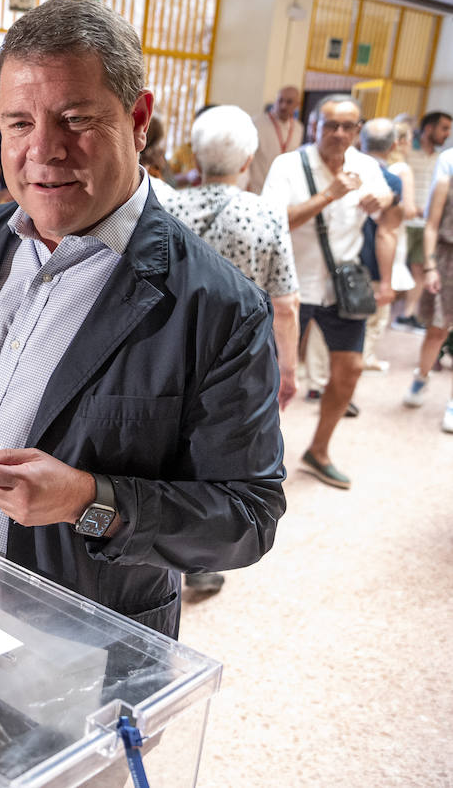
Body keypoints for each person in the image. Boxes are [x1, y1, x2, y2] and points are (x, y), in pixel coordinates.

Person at [0, 0, 286, 638]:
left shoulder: (218, 309)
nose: (43, 151)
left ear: (137, 119)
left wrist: (91, 501)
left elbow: (246, 518)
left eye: (76, 119)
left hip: (76, 640)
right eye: (19, 123)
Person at [161, 105, 300, 595]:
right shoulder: (265, 214)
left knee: (164, 449)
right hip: (240, 361)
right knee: (221, 459)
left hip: (168, 354)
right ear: (248, 157)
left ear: (196, 155)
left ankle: (157, 550)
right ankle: (198, 557)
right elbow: (284, 303)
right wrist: (289, 368)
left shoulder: (169, 209)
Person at [261, 95, 393, 488]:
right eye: (330, 124)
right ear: (314, 125)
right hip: (291, 287)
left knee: (350, 370)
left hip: (342, 289)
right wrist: (328, 195)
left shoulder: (367, 166)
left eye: (348, 126)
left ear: (358, 131)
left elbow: (389, 201)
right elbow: (274, 221)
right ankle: (258, 457)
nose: (339, 133)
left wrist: (383, 198)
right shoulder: (289, 165)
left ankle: (319, 451)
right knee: (273, 377)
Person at [403, 147, 453, 433]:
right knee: (437, 329)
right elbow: (431, 225)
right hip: (446, 257)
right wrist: (431, 266)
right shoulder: (449, 162)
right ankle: (421, 378)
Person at [356, 119, 410, 374]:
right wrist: (387, 282)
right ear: (393, 146)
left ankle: (317, 381)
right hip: (374, 261)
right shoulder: (390, 180)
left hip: (341, 260)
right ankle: (364, 360)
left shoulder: (345, 173)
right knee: (374, 318)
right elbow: (386, 234)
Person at [395, 110, 452, 331]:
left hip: (426, 224)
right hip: (402, 220)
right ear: (429, 128)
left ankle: (407, 315)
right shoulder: (409, 153)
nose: (447, 134)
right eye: (444, 128)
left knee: (420, 270)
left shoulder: (442, 158)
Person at [246, 85, 303, 194]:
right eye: (280, 100)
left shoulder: (299, 128)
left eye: (289, 102)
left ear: (297, 105)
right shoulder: (256, 123)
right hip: (257, 189)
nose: (283, 106)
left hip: (283, 191)